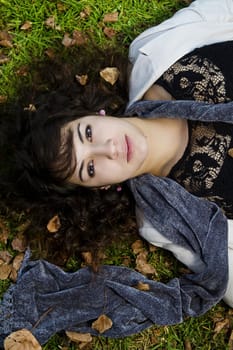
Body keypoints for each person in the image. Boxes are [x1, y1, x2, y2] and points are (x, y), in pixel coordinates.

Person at [1, 0, 233, 346]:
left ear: (96, 114)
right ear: (101, 186)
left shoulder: (154, 52)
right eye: (90, 167)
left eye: (89, 134)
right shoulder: (162, 220)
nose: (109, 149)